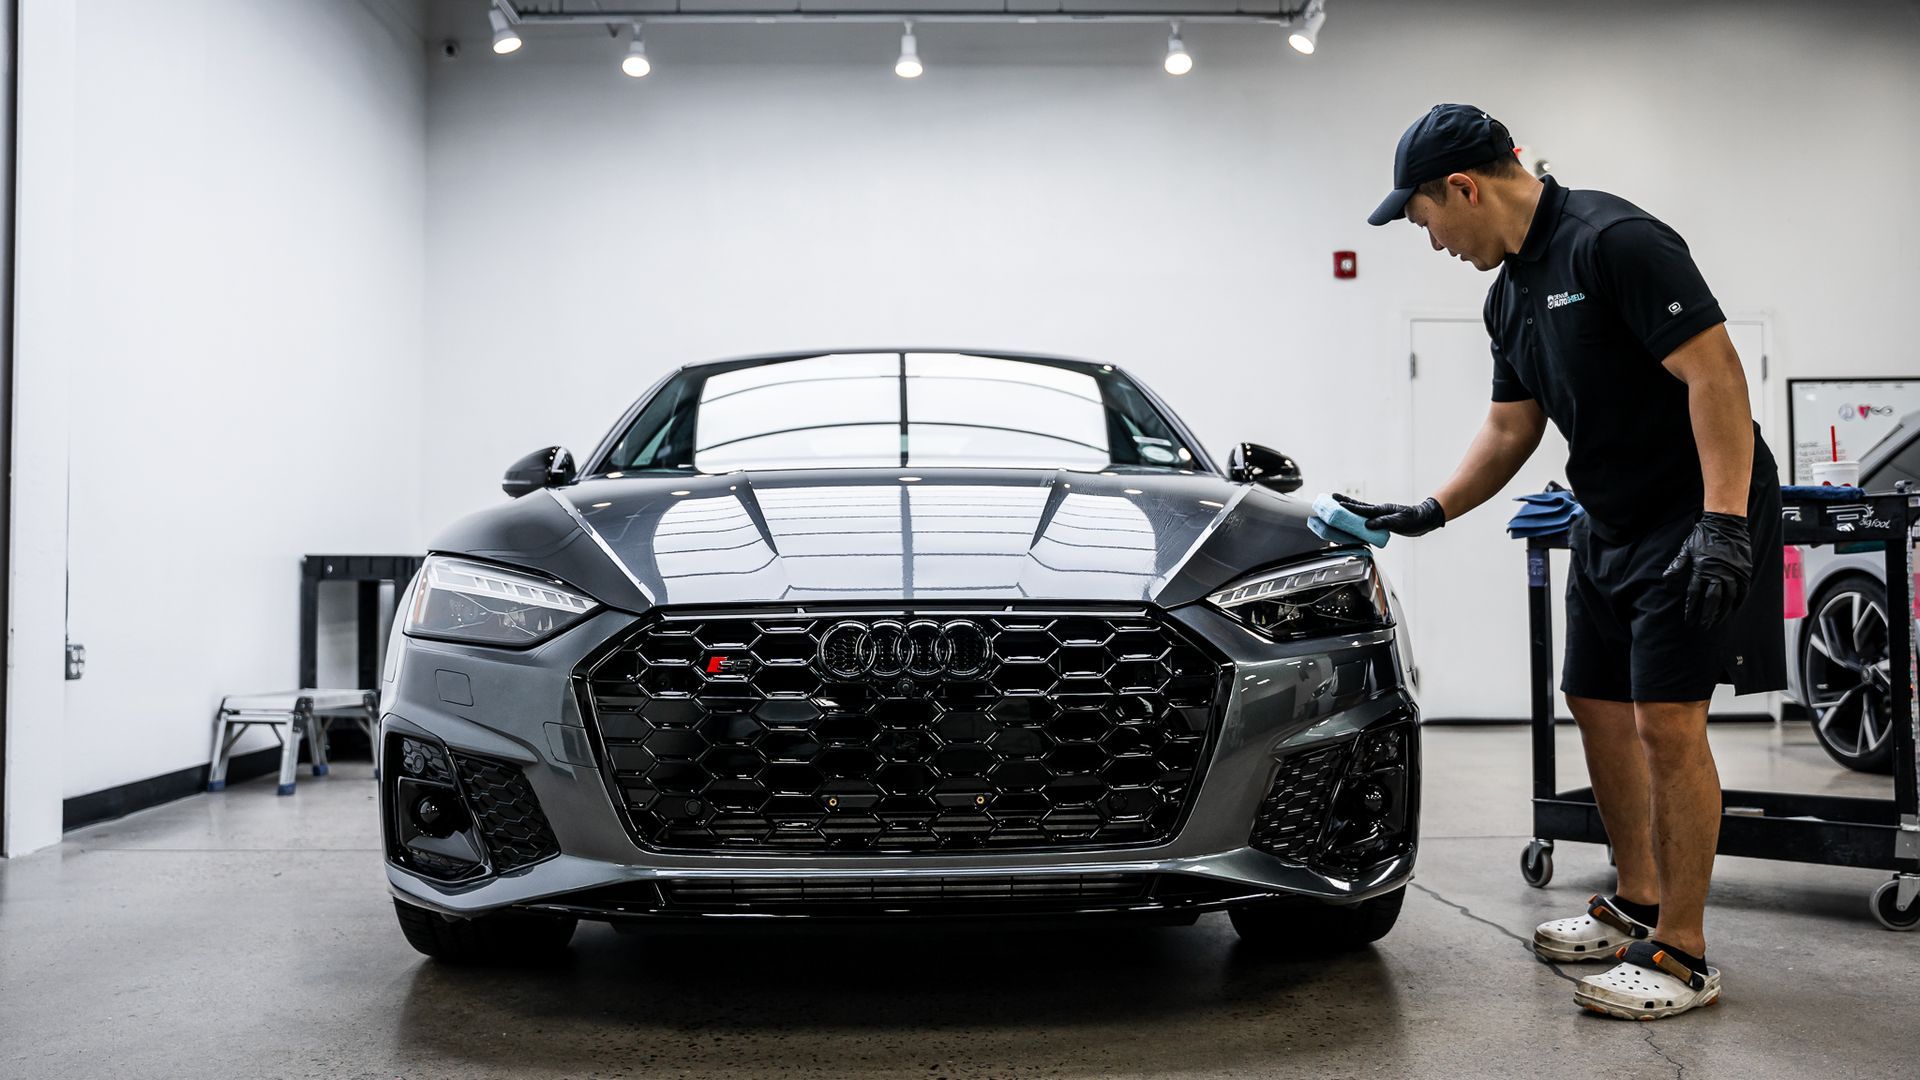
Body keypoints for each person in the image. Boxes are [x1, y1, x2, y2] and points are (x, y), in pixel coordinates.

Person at [1347, 104, 1784, 1020]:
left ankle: (1684, 954)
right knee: (1592, 700)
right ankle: (1639, 899)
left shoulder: (1614, 241)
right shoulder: (1506, 293)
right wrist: (1431, 509)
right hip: (1611, 516)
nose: (1432, 244)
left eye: (1426, 223)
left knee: (1668, 722)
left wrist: (1725, 523)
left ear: (1463, 187)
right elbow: (1512, 425)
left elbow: (1717, 376)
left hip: (1691, 510)